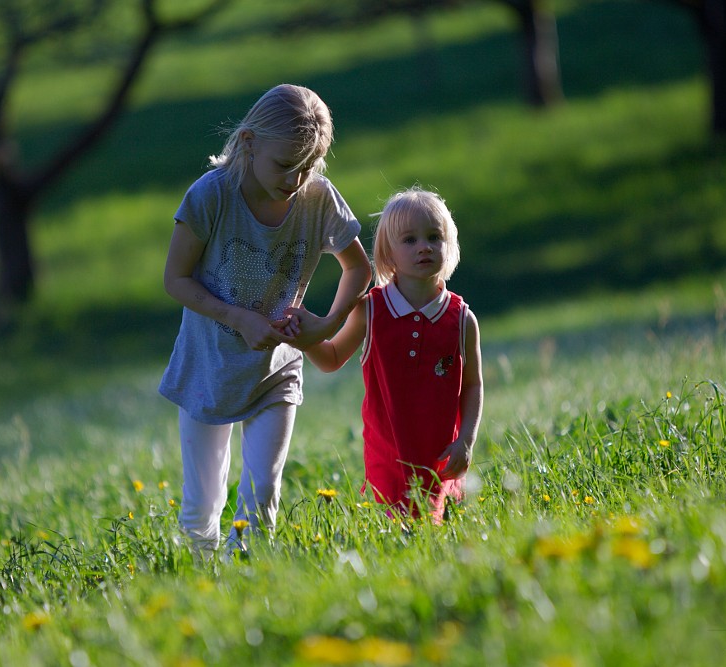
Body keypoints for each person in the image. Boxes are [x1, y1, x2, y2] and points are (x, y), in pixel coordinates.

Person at [159, 84, 372, 554]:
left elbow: (360, 267)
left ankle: (251, 584)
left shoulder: (319, 199)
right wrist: (238, 319)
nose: (295, 180)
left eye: (307, 167)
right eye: (284, 165)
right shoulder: (210, 197)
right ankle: (202, 589)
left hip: (276, 371)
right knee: (202, 507)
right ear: (250, 142)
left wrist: (327, 324)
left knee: (262, 495)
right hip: (208, 367)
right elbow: (175, 280)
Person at [299, 187, 483, 522]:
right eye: (409, 240)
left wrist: (466, 442)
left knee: (434, 530)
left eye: (434, 237)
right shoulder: (370, 310)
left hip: (440, 456)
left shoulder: (461, 319)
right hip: (387, 456)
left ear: (449, 244)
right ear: (388, 252)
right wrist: (306, 335)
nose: (424, 246)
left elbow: (473, 386)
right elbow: (331, 357)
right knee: (394, 531)